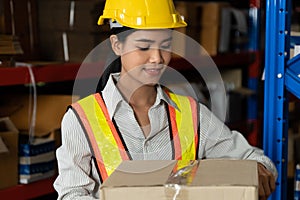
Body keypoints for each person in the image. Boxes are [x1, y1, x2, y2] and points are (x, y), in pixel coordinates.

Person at [54, 0, 277, 199]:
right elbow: (71, 193)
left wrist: (258, 170)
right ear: (117, 45)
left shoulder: (191, 113)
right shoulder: (81, 119)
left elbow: (255, 159)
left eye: (166, 46)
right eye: (143, 46)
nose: (157, 58)